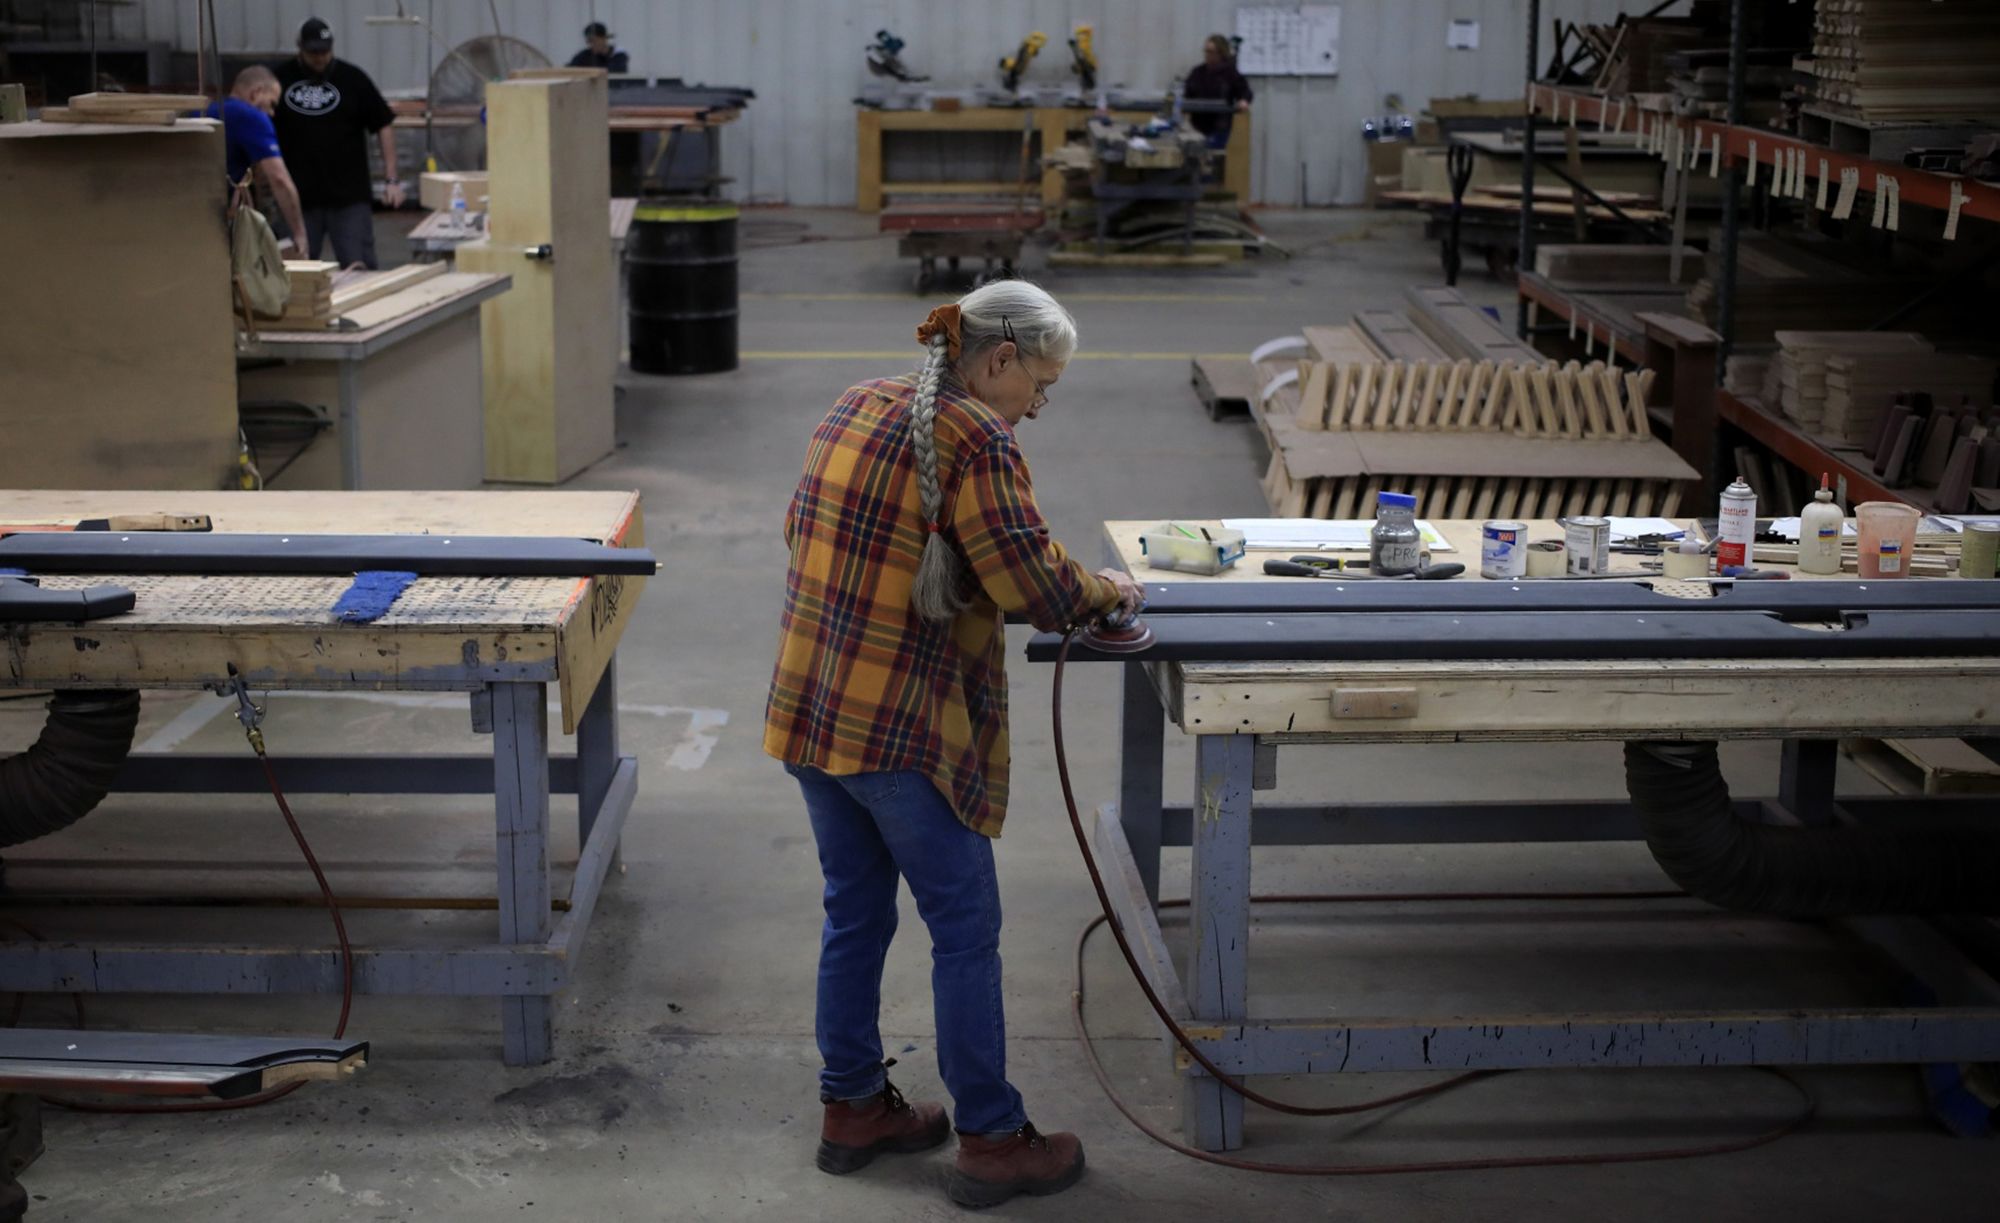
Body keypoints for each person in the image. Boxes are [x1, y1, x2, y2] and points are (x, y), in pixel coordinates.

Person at [765, 281, 1143, 1209]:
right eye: (1041, 383)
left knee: (855, 912)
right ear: (999, 359)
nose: (1040, 403)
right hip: (899, 731)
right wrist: (1108, 588)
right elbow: (1037, 588)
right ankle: (992, 1136)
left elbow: (798, 531)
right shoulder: (977, 438)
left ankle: (853, 1106)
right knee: (966, 932)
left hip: (814, 709)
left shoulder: (857, 400)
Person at [271, 17, 403, 268]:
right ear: (299, 48)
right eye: (313, 53)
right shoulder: (280, 80)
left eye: (325, 51)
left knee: (359, 267)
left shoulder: (352, 78)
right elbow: (261, 126)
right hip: (297, 198)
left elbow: (383, 123)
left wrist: (392, 179)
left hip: (349, 197)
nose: (320, 58)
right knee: (296, 271)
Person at [202, 65, 310, 254]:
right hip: (218, 219)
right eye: (272, 103)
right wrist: (299, 233)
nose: (272, 113)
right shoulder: (252, 118)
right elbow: (279, 179)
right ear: (256, 93)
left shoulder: (204, 112)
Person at [1183, 33, 1253, 149]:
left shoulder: (1230, 73)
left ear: (1221, 53)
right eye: (1206, 51)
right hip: (1197, 126)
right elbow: (1186, 93)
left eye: (1211, 52)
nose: (1207, 55)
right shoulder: (1198, 72)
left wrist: (1244, 100)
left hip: (1219, 128)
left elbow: (1245, 91)